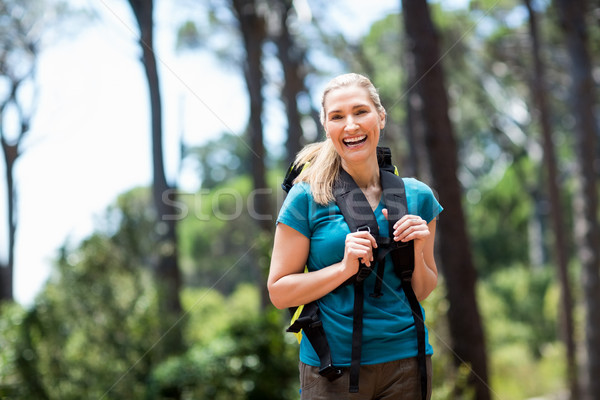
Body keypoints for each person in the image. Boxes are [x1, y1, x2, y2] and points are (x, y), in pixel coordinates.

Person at [267, 73, 443, 400]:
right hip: (331, 368)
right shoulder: (307, 197)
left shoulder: (418, 197)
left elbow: (421, 290)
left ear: (381, 116)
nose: (350, 125)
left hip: (408, 361)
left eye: (360, 111)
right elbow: (279, 292)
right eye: (337, 116)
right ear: (326, 126)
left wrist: (417, 249)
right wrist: (344, 268)